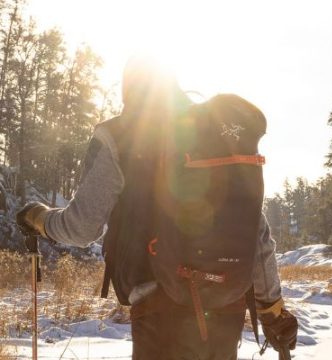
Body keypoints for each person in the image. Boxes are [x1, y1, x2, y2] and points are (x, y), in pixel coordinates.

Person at [17, 57, 298, 360]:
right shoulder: (216, 140)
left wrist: (40, 219)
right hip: (225, 312)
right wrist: (272, 309)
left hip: (160, 313)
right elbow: (255, 233)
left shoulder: (119, 136)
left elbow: (82, 227)